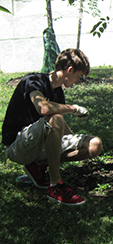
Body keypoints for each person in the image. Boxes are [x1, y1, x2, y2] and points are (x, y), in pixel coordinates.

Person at [2, 48, 103, 205]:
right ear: (69, 70)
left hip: (38, 144)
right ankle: (56, 186)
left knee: (94, 145)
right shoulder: (34, 81)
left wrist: (75, 142)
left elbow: (59, 127)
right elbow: (43, 108)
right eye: (78, 77)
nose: (78, 82)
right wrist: (74, 108)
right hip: (17, 146)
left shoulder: (58, 93)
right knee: (55, 118)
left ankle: (38, 167)